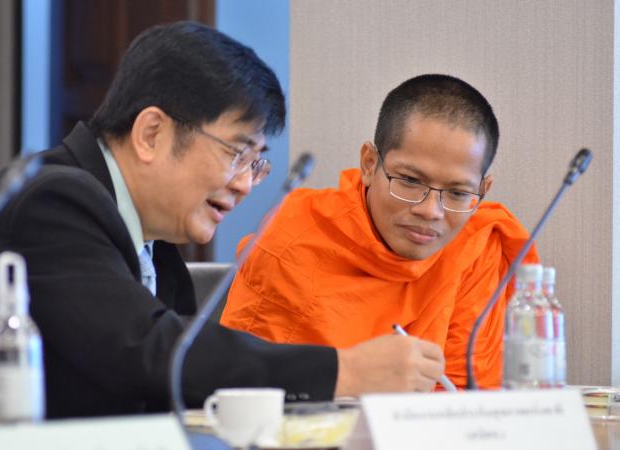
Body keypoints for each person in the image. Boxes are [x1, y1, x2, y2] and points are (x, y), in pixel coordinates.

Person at [0, 22, 445, 441]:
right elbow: (150, 350)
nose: (245, 184)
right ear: (152, 133)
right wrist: (344, 370)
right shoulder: (51, 199)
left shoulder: (155, 246)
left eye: (257, 162)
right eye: (236, 153)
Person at [221, 74, 539, 389]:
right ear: (369, 164)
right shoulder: (291, 240)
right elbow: (250, 389)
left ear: (483, 190)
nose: (431, 211)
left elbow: (467, 392)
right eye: (410, 181)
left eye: (457, 193)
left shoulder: (475, 247)